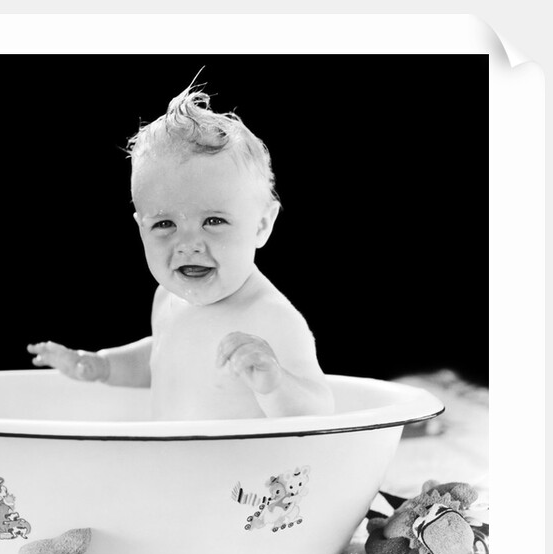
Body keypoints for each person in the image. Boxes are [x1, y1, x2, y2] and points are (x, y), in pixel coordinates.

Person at [27, 81, 333, 420]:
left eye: (214, 221)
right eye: (164, 224)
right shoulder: (168, 299)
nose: (187, 244)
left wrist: (274, 382)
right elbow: (162, 358)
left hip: (239, 472)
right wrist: (101, 365)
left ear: (262, 225)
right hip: (173, 468)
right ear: (140, 227)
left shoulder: (271, 317)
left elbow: (319, 410)